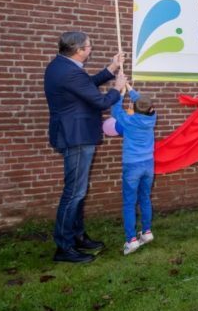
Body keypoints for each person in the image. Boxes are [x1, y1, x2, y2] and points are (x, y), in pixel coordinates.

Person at [45, 31, 127, 263]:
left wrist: (111, 68)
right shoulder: (69, 71)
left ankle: (77, 236)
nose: (91, 50)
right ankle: (64, 246)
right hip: (77, 137)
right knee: (74, 192)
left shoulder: (61, 66)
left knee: (78, 191)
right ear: (78, 50)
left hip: (74, 134)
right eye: (89, 47)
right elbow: (99, 101)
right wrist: (117, 88)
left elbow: (86, 85)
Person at [112, 84, 157, 255]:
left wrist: (121, 93)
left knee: (129, 203)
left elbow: (115, 110)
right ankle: (146, 232)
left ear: (135, 109)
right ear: (151, 108)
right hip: (148, 164)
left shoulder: (128, 120)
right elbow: (142, 103)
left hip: (132, 166)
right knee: (145, 198)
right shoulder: (153, 117)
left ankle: (131, 240)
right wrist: (130, 88)